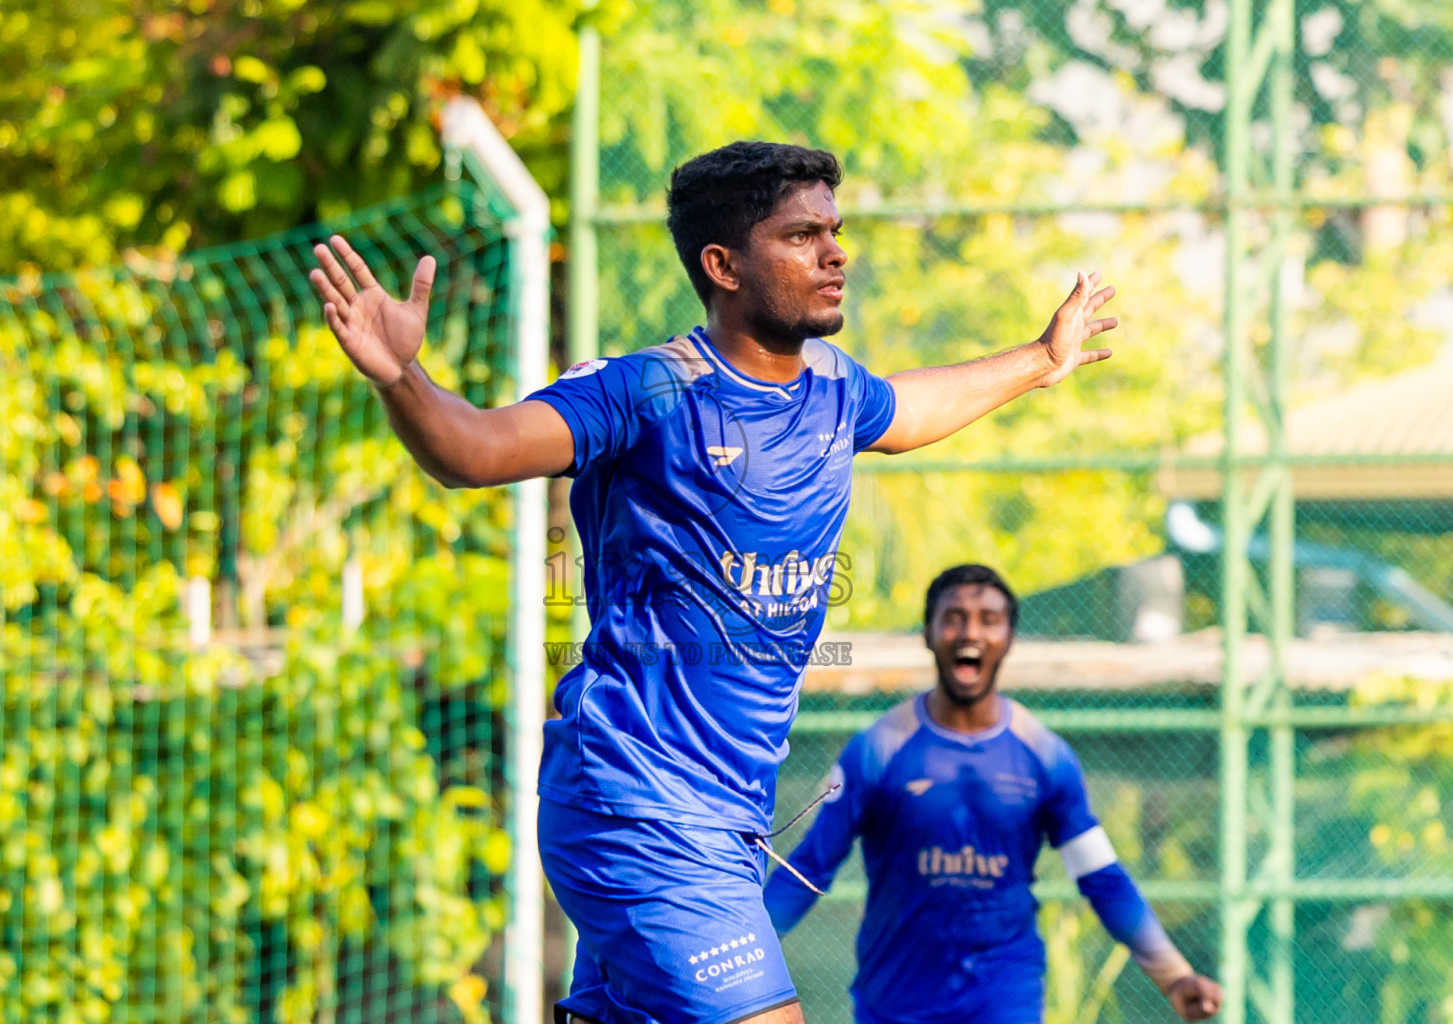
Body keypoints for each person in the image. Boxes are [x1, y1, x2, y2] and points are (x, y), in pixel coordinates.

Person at [309, 142, 1118, 1024]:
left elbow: (916, 408)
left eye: (834, 231)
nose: (835, 253)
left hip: (726, 825)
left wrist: (1044, 357)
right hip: (635, 805)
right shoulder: (647, 391)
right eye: (803, 235)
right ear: (723, 265)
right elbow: (475, 450)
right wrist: (403, 377)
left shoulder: (838, 394)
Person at [762, 564, 1223, 1024]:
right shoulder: (877, 750)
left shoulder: (1045, 756)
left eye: (989, 618)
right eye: (954, 617)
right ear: (927, 633)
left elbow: (1101, 876)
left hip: (1004, 998)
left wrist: (1175, 976)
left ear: (1010, 638)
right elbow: (808, 867)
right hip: (896, 1002)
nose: (971, 632)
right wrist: (738, 969)